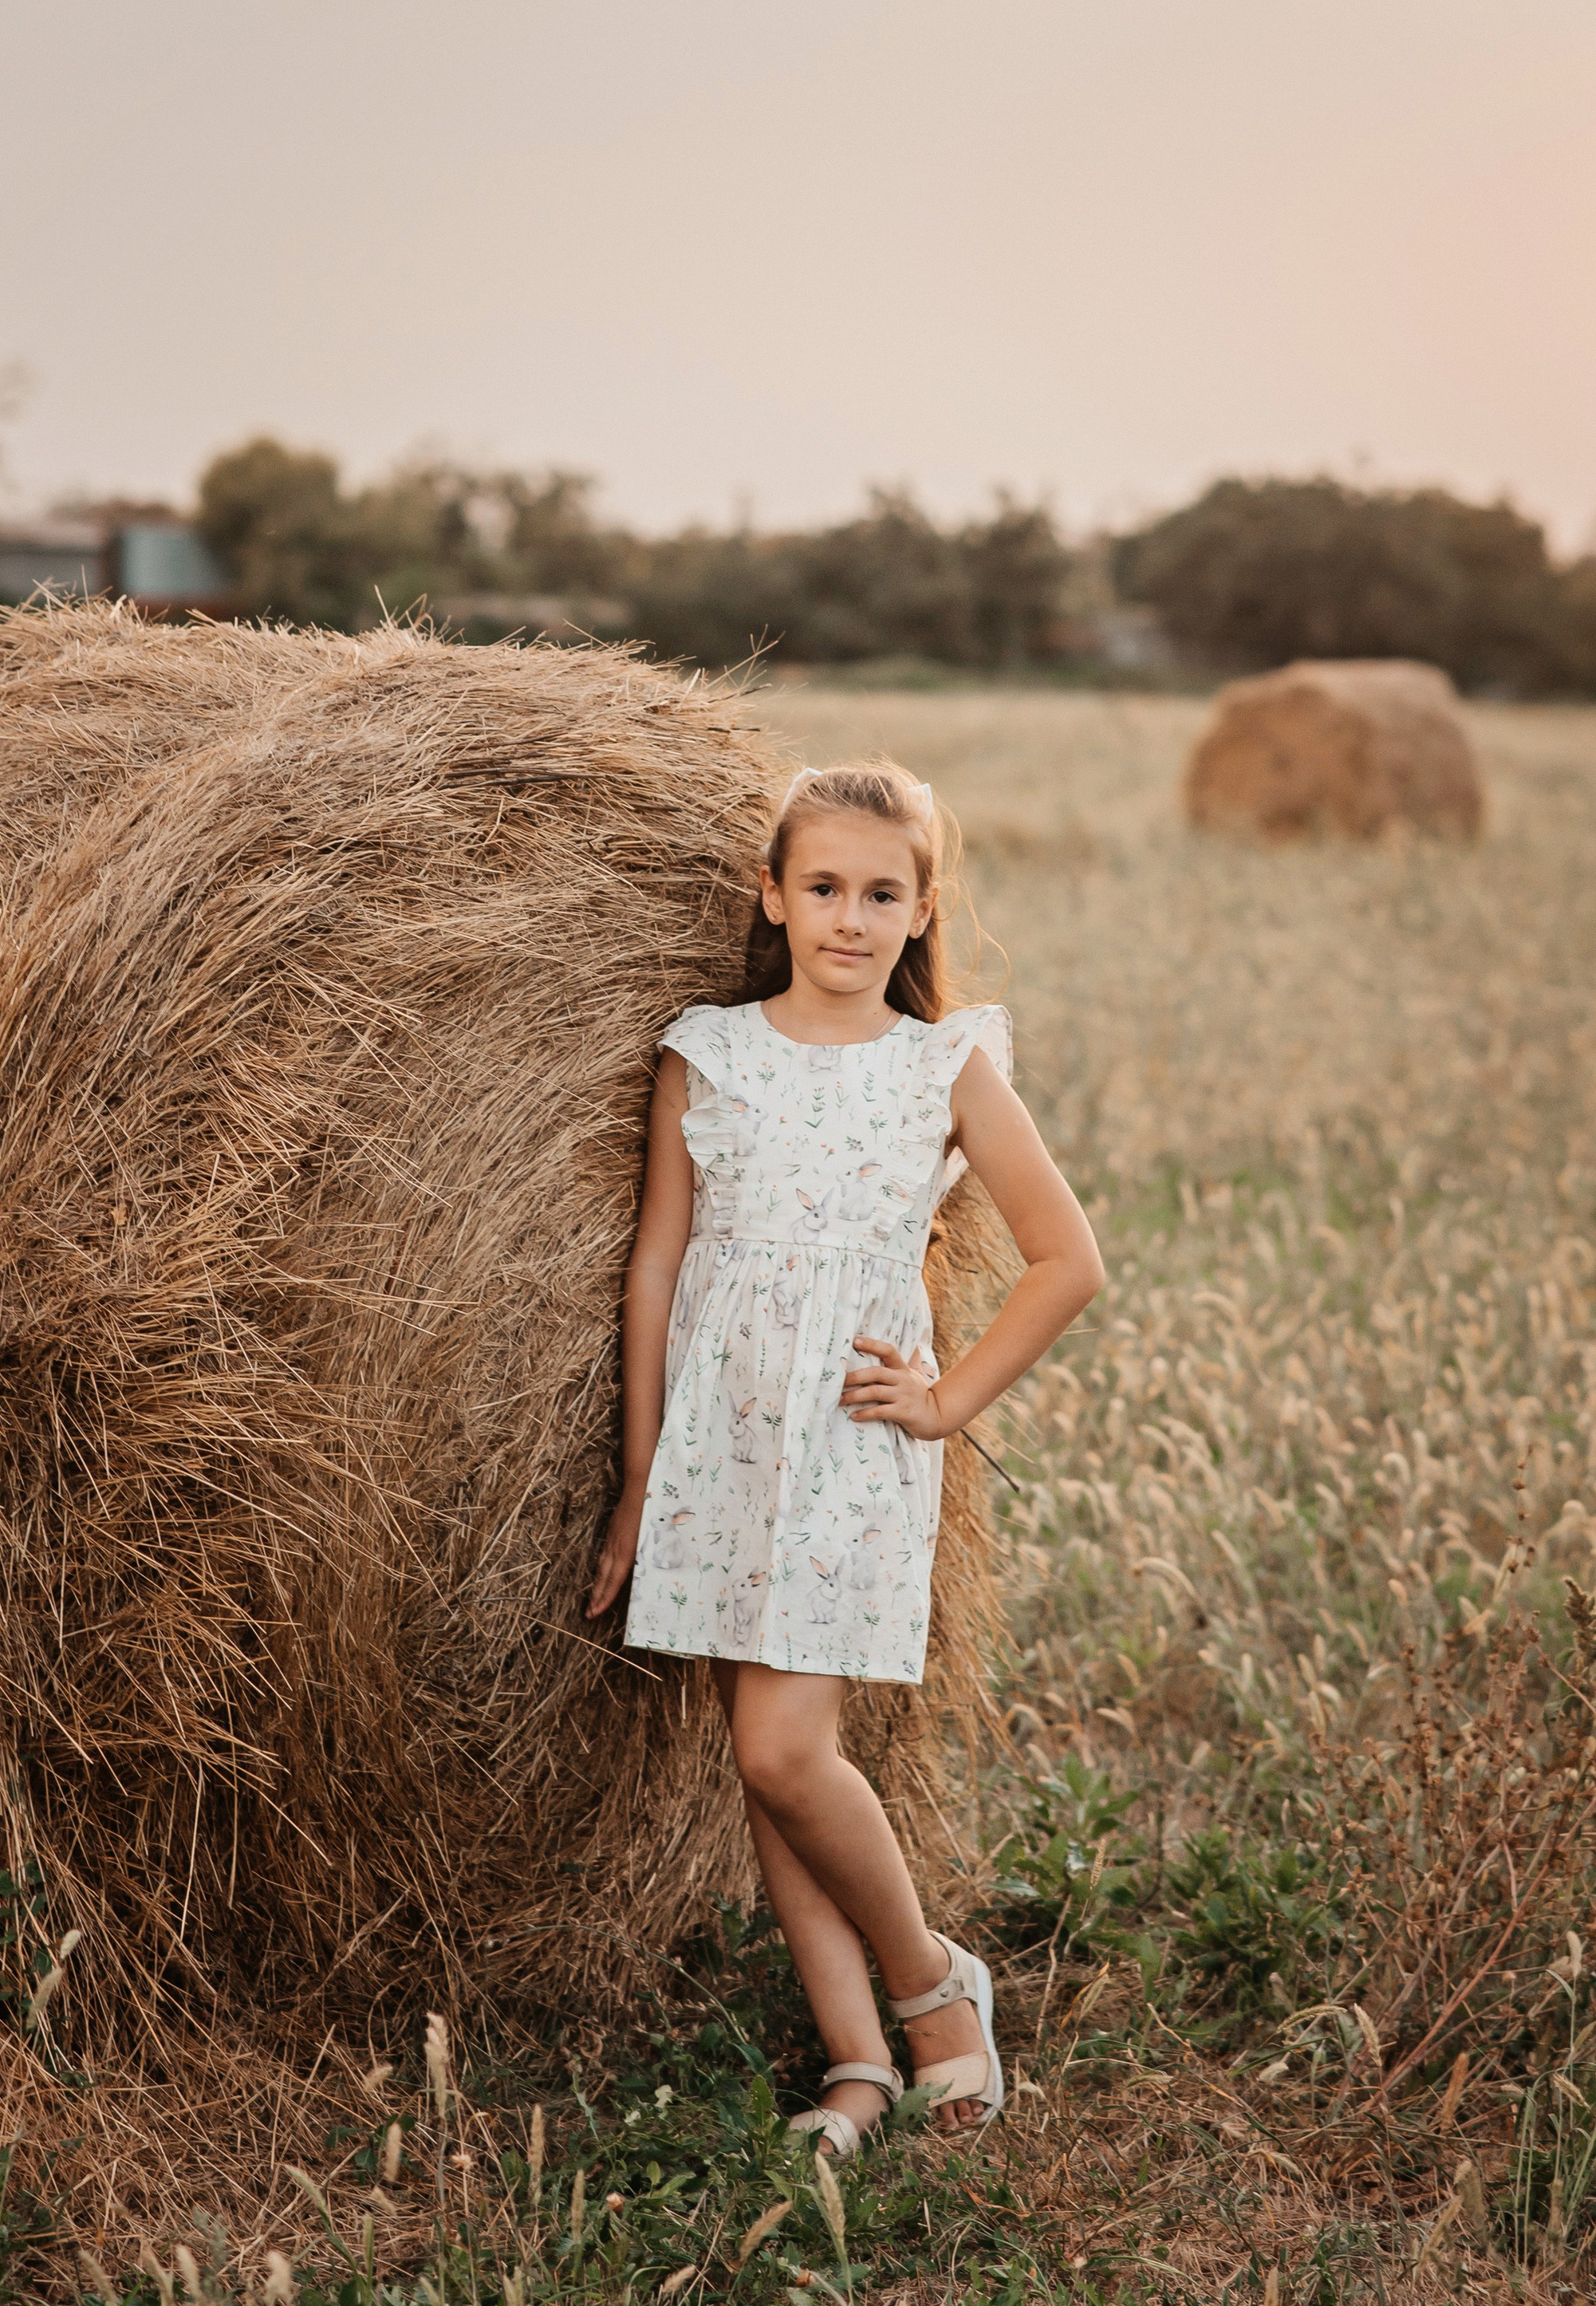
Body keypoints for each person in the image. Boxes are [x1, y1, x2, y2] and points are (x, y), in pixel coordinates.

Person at [585, 761, 1105, 2159]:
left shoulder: (943, 1065)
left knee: (782, 1745)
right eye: (824, 888)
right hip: (715, 1447)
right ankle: (855, 2064)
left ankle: (938, 1992)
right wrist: (640, 1479)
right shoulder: (708, 1050)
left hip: (850, 1450)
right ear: (774, 894)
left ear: (923, 910)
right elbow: (655, 1266)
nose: (851, 918)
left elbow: (1069, 1262)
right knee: (765, 1768)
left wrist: (948, 1403)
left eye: (885, 894)